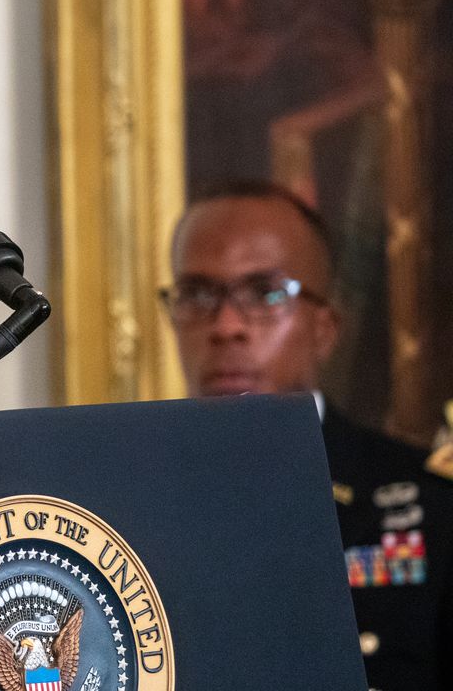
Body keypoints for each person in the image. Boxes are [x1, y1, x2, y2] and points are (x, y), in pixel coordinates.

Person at [166, 179, 453, 690]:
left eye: (265, 293)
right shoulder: (135, 496)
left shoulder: (433, 504)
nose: (226, 326)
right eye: (198, 294)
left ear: (325, 328)